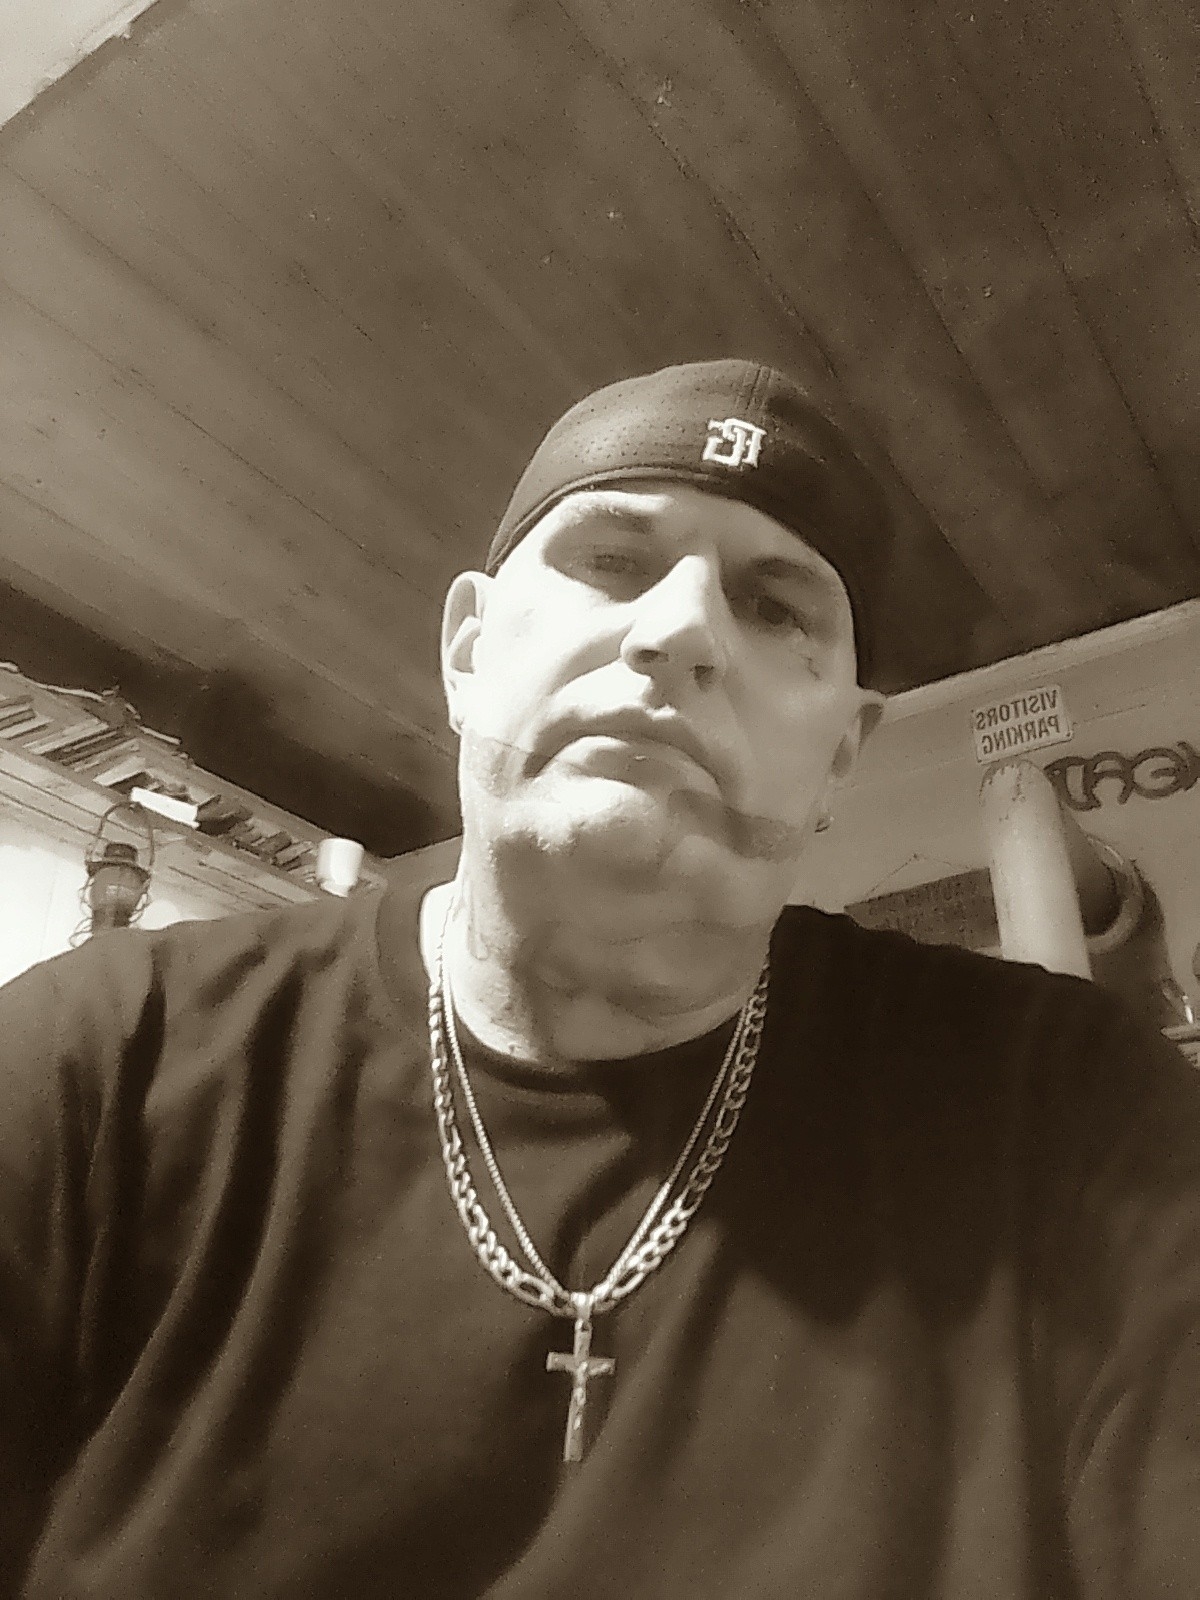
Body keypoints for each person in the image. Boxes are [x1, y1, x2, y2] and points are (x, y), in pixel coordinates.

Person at [1, 359, 1197, 1598]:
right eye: (615, 560)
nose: (681, 632)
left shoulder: (1063, 1111)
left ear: (842, 751)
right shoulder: (98, 1060)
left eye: (775, 606)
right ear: (468, 651)